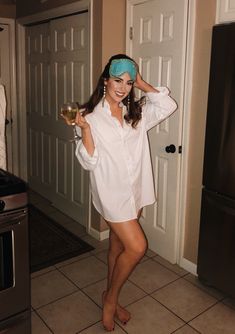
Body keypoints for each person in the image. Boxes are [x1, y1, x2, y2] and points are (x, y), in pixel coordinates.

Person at [72, 54, 177, 331]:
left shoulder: (137, 113)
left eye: (129, 82)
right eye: (118, 80)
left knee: (117, 247)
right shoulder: (90, 118)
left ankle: (111, 295)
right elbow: (88, 161)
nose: (123, 87)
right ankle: (110, 300)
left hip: (136, 191)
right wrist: (84, 130)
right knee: (137, 247)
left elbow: (168, 104)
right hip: (112, 195)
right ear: (105, 79)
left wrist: (142, 83)